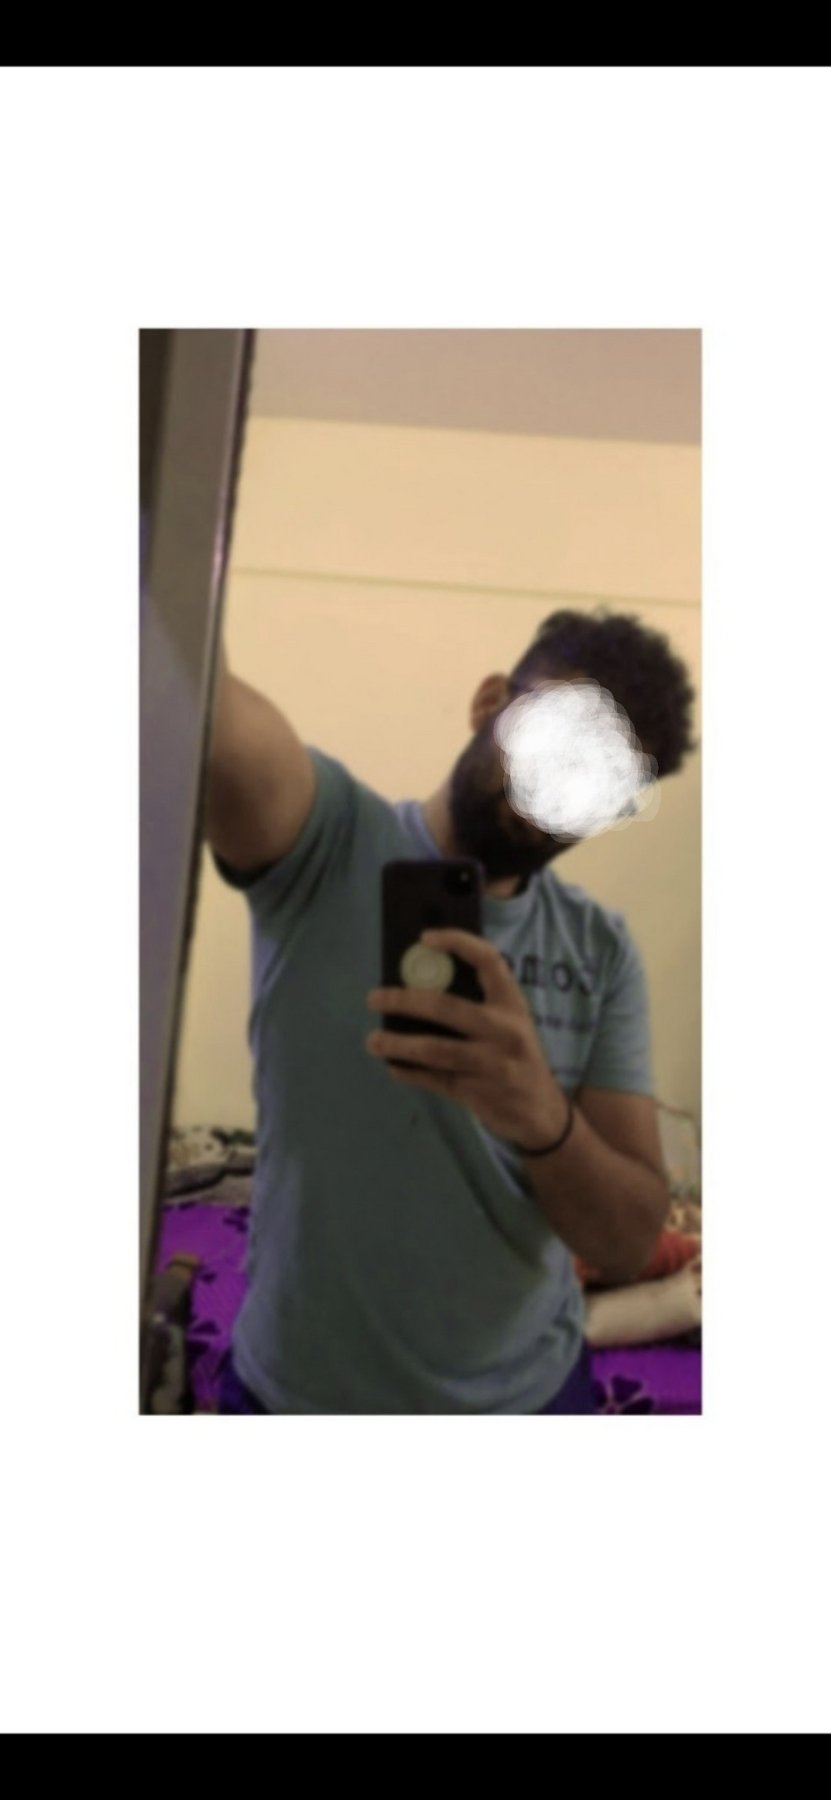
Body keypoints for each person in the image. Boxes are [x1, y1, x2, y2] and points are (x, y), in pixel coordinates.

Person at [204, 608, 696, 1414]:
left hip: (528, 1399)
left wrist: (540, 1115)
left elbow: (624, 1241)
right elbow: (201, 697)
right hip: (301, 1394)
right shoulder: (322, 841)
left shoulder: (600, 951)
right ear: (490, 701)